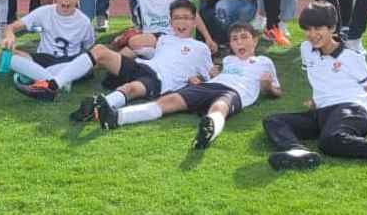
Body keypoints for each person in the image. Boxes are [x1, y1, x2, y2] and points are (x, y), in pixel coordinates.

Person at [263, 1, 367, 173]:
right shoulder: (306, 49)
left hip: (353, 111)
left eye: (318, 28)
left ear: (332, 28)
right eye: (308, 29)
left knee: (330, 141)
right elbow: (319, 79)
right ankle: (297, 151)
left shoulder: (351, 57)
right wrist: (315, 102)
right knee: (273, 121)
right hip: (322, 113)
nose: (312, 34)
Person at [97, 22, 281, 151]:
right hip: (210, 86)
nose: (239, 42)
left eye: (244, 37)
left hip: (234, 92)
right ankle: (117, 117)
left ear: (255, 40)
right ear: (231, 44)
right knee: (170, 100)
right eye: (235, 39)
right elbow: (218, 75)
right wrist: (210, 76)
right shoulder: (228, 60)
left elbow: (277, 91)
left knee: (219, 107)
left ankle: (209, 131)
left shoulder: (264, 61)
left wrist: (268, 86)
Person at [70, 0, 212, 122]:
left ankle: (98, 106)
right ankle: (59, 81)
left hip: (159, 80)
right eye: (177, 18)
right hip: (142, 66)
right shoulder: (164, 39)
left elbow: (209, 74)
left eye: (186, 18)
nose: (181, 22)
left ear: (194, 22)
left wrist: (197, 78)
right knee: (100, 50)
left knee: (131, 88)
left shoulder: (201, 48)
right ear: (171, 22)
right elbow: (146, 52)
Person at [1, 0, 96, 102]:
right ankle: (56, 82)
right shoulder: (44, 12)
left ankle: (39, 78)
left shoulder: (84, 21)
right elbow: (11, 27)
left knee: (88, 64)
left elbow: (88, 47)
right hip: (44, 58)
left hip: (68, 61)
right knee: (4, 54)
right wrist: (9, 36)